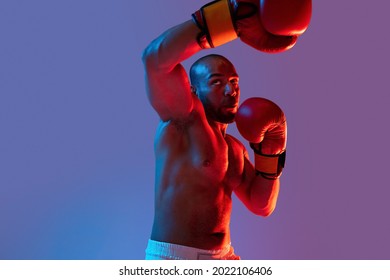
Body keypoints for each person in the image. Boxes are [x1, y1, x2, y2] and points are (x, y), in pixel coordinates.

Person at [142, 0, 311, 260]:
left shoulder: (235, 149)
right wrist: (228, 19)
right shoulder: (182, 122)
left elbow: (262, 205)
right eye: (217, 82)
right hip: (176, 261)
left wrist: (272, 150)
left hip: (224, 258)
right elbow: (154, 59)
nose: (231, 90)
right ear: (194, 91)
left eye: (234, 82)